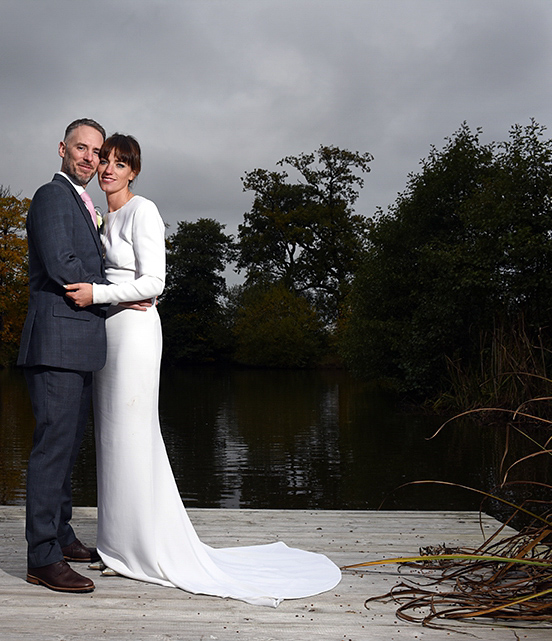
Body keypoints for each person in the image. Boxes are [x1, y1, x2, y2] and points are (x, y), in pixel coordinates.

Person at [65, 133, 342, 606]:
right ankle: (115, 546)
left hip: (134, 334)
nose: (108, 168)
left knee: (134, 433)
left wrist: (101, 294)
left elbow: (156, 281)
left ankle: (143, 550)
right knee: (112, 439)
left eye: (119, 162)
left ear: (134, 171)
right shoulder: (103, 216)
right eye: (104, 160)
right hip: (108, 333)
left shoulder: (142, 210)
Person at [17, 118, 116, 594]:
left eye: (96, 152)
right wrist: (120, 294)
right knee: (52, 449)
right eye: (81, 147)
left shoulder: (84, 203)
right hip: (56, 342)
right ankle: (42, 558)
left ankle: (62, 533)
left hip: (76, 345)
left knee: (67, 448)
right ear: (62, 148)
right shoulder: (52, 195)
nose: (89, 157)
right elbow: (63, 265)